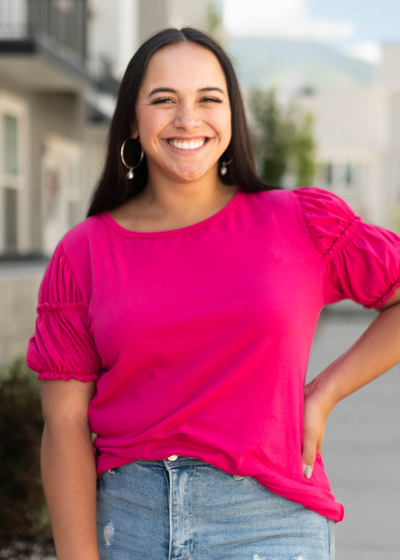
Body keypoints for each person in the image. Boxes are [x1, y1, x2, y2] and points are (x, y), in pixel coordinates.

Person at [26, 28, 400, 560]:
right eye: (163, 100)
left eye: (208, 99)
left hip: (268, 525)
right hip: (128, 525)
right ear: (132, 120)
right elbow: (63, 427)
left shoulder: (298, 221)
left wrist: (324, 392)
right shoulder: (82, 254)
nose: (187, 119)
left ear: (232, 114)